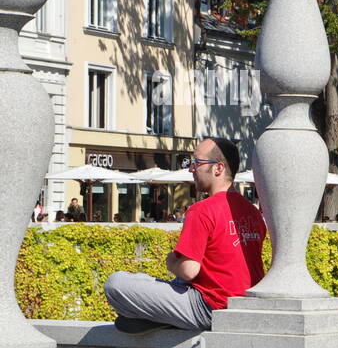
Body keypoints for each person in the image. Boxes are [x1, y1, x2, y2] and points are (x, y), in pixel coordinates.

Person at [105, 138, 266, 333]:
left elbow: (189, 270)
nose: (191, 169)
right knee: (173, 284)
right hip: (244, 306)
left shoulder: (202, 210)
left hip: (208, 307)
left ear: (218, 169)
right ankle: (161, 317)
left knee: (115, 284)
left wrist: (170, 261)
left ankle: (159, 317)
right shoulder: (253, 212)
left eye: (197, 163)